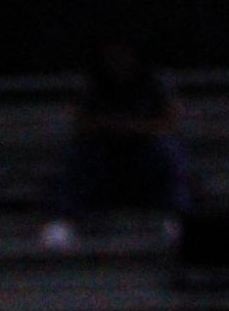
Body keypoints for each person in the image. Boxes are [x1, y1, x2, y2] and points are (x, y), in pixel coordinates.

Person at [41, 40, 191, 251]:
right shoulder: (94, 84)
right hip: (104, 153)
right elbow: (80, 123)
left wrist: (136, 128)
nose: (118, 61)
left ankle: (176, 218)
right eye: (113, 56)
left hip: (143, 151)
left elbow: (170, 121)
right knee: (76, 155)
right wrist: (109, 127)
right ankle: (64, 221)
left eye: (123, 55)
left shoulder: (154, 81)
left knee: (169, 151)